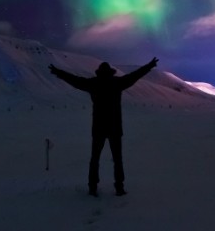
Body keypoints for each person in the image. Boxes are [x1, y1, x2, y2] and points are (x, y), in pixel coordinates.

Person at [48, 57, 158, 196]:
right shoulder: (117, 83)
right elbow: (135, 76)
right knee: (117, 159)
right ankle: (119, 187)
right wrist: (149, 66)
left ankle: (93, 187)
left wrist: (58, 72)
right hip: (115, 127)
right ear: (111, 73)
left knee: (95, 159)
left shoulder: (93, 83)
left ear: (99, 72)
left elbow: (74, 80)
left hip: (98, 127)